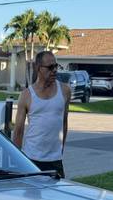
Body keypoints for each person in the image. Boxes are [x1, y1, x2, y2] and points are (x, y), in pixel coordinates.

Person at [12, 50, 70, 178]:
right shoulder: (26, 95)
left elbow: (64, 123)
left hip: (55, 161)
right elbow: (18, 131)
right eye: (50, 67)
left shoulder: (65, 91)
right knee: (30, 198)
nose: (54, 70)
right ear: (38, 68)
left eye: (56, 66)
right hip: (31, 159)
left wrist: (60, 151)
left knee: (56, 197)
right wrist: (17, 161)